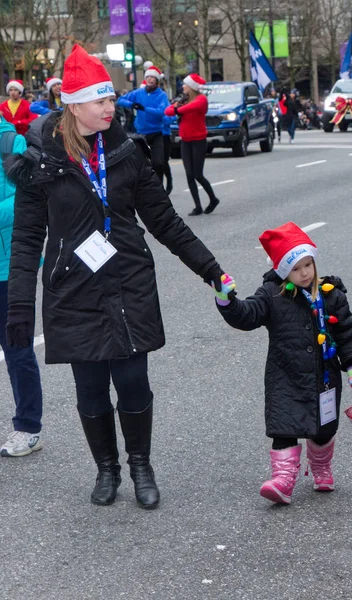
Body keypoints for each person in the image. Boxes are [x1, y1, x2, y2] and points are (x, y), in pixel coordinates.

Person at [5, 44, 231, 510]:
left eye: (111, 99)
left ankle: (140, 465)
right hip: (73, 288)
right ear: (74, 105)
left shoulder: (126, 152)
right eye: (100, 100)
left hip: (128, 280)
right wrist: (21, 306)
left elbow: (166, 222)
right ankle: (106, 469)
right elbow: (27, 239)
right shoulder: (42, 158)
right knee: (89, 390)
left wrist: (212, 271)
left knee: (133, 383)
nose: (111, 107)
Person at [213, 222, 352, 506]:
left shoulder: (331, 294)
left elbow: (346, 331)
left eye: (308, 265)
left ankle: (320, 467)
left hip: (325, 377)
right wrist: (226, 301)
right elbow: (247, 315)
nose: (305, 273)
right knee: (283, 427)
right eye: (296, 268)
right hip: (285, 377)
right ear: (283, 270)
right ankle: (282, 480)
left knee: (324, 430)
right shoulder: (272, 295)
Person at [0, 117, 43, 457]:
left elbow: (27, 201)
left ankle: (28, 427)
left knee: (17, 350)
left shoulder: (11, 143)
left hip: (7, 269)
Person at [164, 74, 220, 216]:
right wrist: (177, 107)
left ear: (192, 87)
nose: (183, 86)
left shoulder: (201, 99)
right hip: (185, 140)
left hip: (198, 140)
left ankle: (213, 199)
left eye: (185, 84)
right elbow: (168, 111)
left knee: (198, 174)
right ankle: (198, 206)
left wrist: (178, 108)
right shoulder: (184, 99)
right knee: (189, 175)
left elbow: (190, 108)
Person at [117, 66, 169, 182]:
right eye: (148, 77)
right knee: (140, 163)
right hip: (141, 134)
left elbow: (161, 112)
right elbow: (121, 100)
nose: (150, 79)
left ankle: (159, 185)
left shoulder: (162, 95)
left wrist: (144, 108)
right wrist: (132, 105)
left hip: (156, 133)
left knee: (159, 163)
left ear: (157, 81)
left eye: (153, 77)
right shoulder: (139, 92)